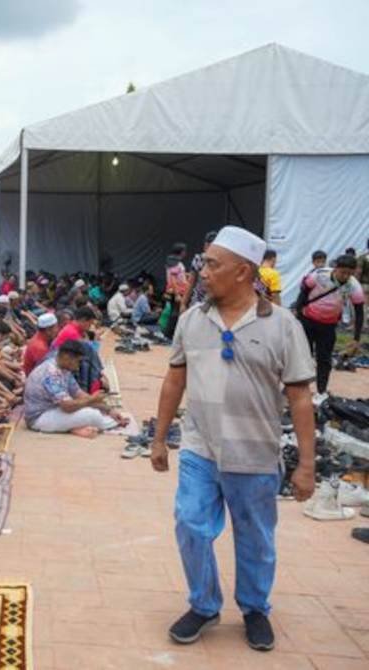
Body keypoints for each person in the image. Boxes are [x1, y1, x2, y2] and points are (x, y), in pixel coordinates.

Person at [149, 226, 316, 652]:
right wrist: (159, 436)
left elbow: (299, 398)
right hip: (200, 449)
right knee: (190, 523)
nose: (202, 271)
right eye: (203, 262)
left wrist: (307, 465)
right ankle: (204, 604)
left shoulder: (282, 326)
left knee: (255, 536)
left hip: (255, 453)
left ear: (243, 272)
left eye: (212, 264)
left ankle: (255, 608)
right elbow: (174, 379)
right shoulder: (191, 320)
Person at [298, 254, 364, 402]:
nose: (345, 276)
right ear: (335, 268)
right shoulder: (319, 276)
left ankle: (321, 392)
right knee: (302, 358)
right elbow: (303, 294)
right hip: (307, 321)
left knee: (324, 360)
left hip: (328, 326)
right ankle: (299, 391)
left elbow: (359, 313)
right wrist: (298, 318)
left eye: (349, 273)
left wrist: (356, 339)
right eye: (343, 272)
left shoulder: (354, 286)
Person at [24, 340, 121, 436]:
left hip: (54, 409)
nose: (78, 366)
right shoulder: (51, 374)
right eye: (78, 361)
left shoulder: (63, 368)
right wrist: (92, 399)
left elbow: (79, 394)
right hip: (39, 418)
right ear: (67, 357)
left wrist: (109, 410)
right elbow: (67, 407)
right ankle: (115, 422)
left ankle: (76, 427)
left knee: (91, 409)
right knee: (93, 415)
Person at [22, 313, 59, 377]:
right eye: (55, 327)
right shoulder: (40, 347)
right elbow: (48, 372)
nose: (57, 330)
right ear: (48, 330)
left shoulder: (41, 338)